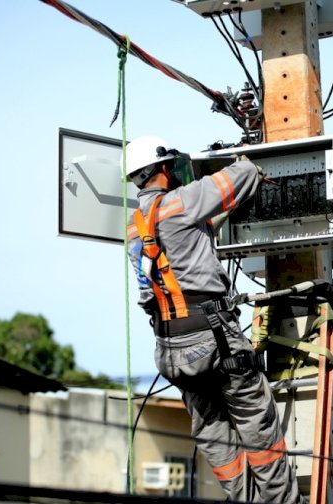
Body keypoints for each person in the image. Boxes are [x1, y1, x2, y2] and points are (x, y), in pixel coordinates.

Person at [125, 136, 302, 504]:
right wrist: (244, 156)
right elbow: (244, 173)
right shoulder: (183, 201)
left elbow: (173, 254)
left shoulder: (134, 225)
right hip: (213, 335)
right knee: (257, 423)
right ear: (162, 168)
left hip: (170, 348)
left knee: (212, 431)